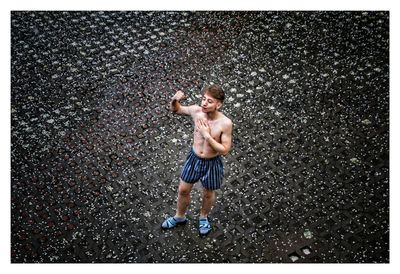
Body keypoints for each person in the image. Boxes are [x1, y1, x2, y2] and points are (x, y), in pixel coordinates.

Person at [161, 84, 233, 236]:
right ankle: (179, 217)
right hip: (193, 159)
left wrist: (206, 135)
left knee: (208, 193)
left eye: (210, 101)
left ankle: (203, 218)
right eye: (204, 99)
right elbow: (176, 109)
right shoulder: (196, 111)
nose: (204, 103)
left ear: (218, 105)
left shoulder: (225, 123)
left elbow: (225, 150)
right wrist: (174, 100)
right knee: (183, 189)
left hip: (212, 163)